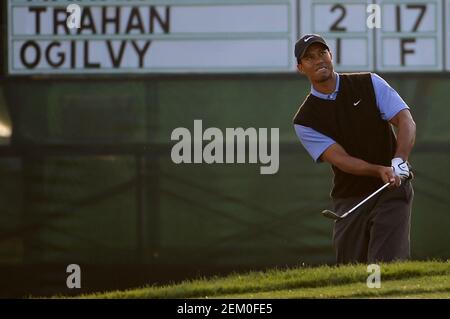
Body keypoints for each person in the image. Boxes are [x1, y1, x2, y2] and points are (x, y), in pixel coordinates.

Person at [292, 34, 416, 264]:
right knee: (349, 267)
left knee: (385, 263)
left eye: (322, 53)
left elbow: (405, 120)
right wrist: (379, 170)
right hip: (350, 196)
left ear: (331, 56)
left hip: (392, 189)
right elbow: (341, 159)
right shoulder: (305, 119)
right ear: (301, 68)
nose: (318, 60)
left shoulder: (369, 83)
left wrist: (399, 160)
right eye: (309, 57)